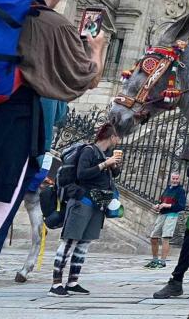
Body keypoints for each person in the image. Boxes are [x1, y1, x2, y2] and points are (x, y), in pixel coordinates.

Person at [0, 0, 106, 269]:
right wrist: (96, 49)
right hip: (14, 128)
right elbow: (88, 78)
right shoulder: (52, 24)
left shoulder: (5, 11)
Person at [49, 122, 122, 296]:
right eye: (117, 137)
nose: (118, 140)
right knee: (70, 241)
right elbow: (82, 174)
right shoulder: (89, 151)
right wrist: (104, 164)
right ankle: (56, 284)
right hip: (82, 201)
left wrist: (112, 165)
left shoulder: (105, 154)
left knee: (84, 242)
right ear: (112, 137)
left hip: (98, 203)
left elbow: (113, 175)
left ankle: (73, 282)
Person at [145, 172, 187, 269]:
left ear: (179, 179)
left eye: (176, 179)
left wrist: (167, 205)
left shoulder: (180, 191)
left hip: (171, 215)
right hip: (162, 214)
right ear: (170, 178)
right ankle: (155, 260)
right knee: (153, 237)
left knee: (165, 237)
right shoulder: (168, 189)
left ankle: (163, 261)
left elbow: (181, 206)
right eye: (173, 178)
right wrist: (158, 205)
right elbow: (163, 201)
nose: (175, 180)